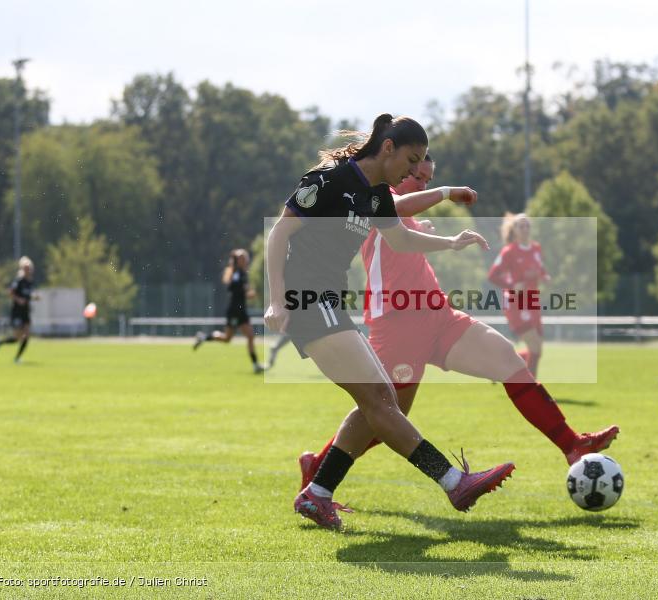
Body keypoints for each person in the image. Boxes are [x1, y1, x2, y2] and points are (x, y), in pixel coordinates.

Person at [298, 155, 619, 491]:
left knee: (507, 359)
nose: (421, 183)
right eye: (417, 176)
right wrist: (447, 192)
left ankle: (572, 445)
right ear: (398, 171)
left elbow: (408, 228)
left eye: (427, 179)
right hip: (397, 323)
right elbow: (402, 206)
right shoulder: (380, 197)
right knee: (385, 417)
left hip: (438, 315)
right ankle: (319, 469)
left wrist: (431, 232)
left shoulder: (405, 212)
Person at [264, 114, 514, 530]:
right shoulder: (330, 179)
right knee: (381, 398)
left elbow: (401, 238)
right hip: (305, 298)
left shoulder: (377, 195)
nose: (414, 171)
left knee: (378, 401)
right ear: (387, 149)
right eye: (411, 160)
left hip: (328, 300)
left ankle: (318, 493)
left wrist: (451, 242)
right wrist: (276, 301)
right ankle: (454, 482)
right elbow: (279, 235)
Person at [488, 213, 549, 378]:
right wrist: (512, 286)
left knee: (537, 348)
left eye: (527, 225)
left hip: (532, 301)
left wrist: (544, 276)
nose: (525, 229)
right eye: (521, 226)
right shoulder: (509, 251)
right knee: (535, 346)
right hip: (515, 302)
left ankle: (500, 364)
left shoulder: (536, 248)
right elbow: (492, 275)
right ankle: (533, 388)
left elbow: (540, 267)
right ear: (514, 230)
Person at [193, 249, 265, 374]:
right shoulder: (238, 274)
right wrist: (246, 291)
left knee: (248, 336)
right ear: (239, 261)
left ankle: (255, 365)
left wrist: (248, 294)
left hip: (241, 310)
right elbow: (234, 289)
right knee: (228, 338)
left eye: (246, 257)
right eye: (243, 257)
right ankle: (204, 337)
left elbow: (240, 292)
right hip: (235, 311)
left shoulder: (242, 273)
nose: (246, 259)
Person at [0, 257, 36, 364]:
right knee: (17, 337)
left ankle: (17, 358)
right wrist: (19, 300)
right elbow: (10, 293)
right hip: (17, 312)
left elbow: (28, 295)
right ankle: (0, 342)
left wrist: (34, 297)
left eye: (29, 268)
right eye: (26, 268)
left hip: (25, 312)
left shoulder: (29, 282)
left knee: (26, 335)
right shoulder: (19, 281)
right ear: (22, 269)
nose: (28, 270)